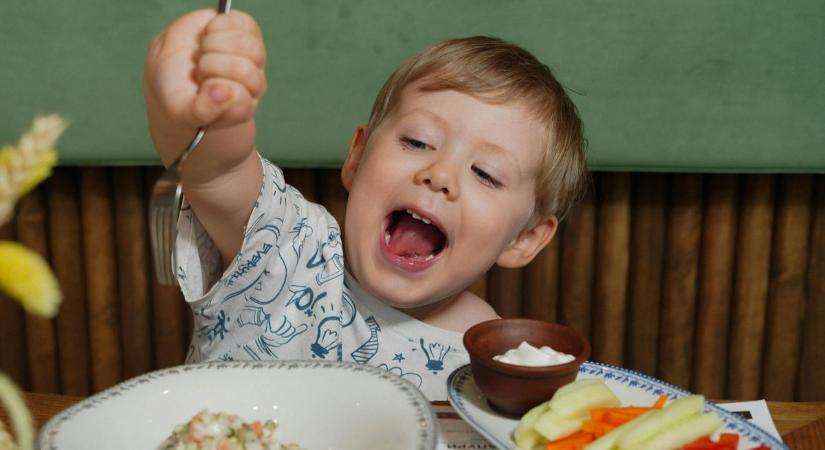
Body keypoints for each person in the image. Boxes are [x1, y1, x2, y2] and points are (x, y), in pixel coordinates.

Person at [143, 8, 588, 400]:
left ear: (525, 238)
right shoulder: (290, 250)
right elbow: (219, 171)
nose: (440, 176)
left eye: (485, 173)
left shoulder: (493, 367)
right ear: (357, 157)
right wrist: (202, 112)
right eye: (417, 141)